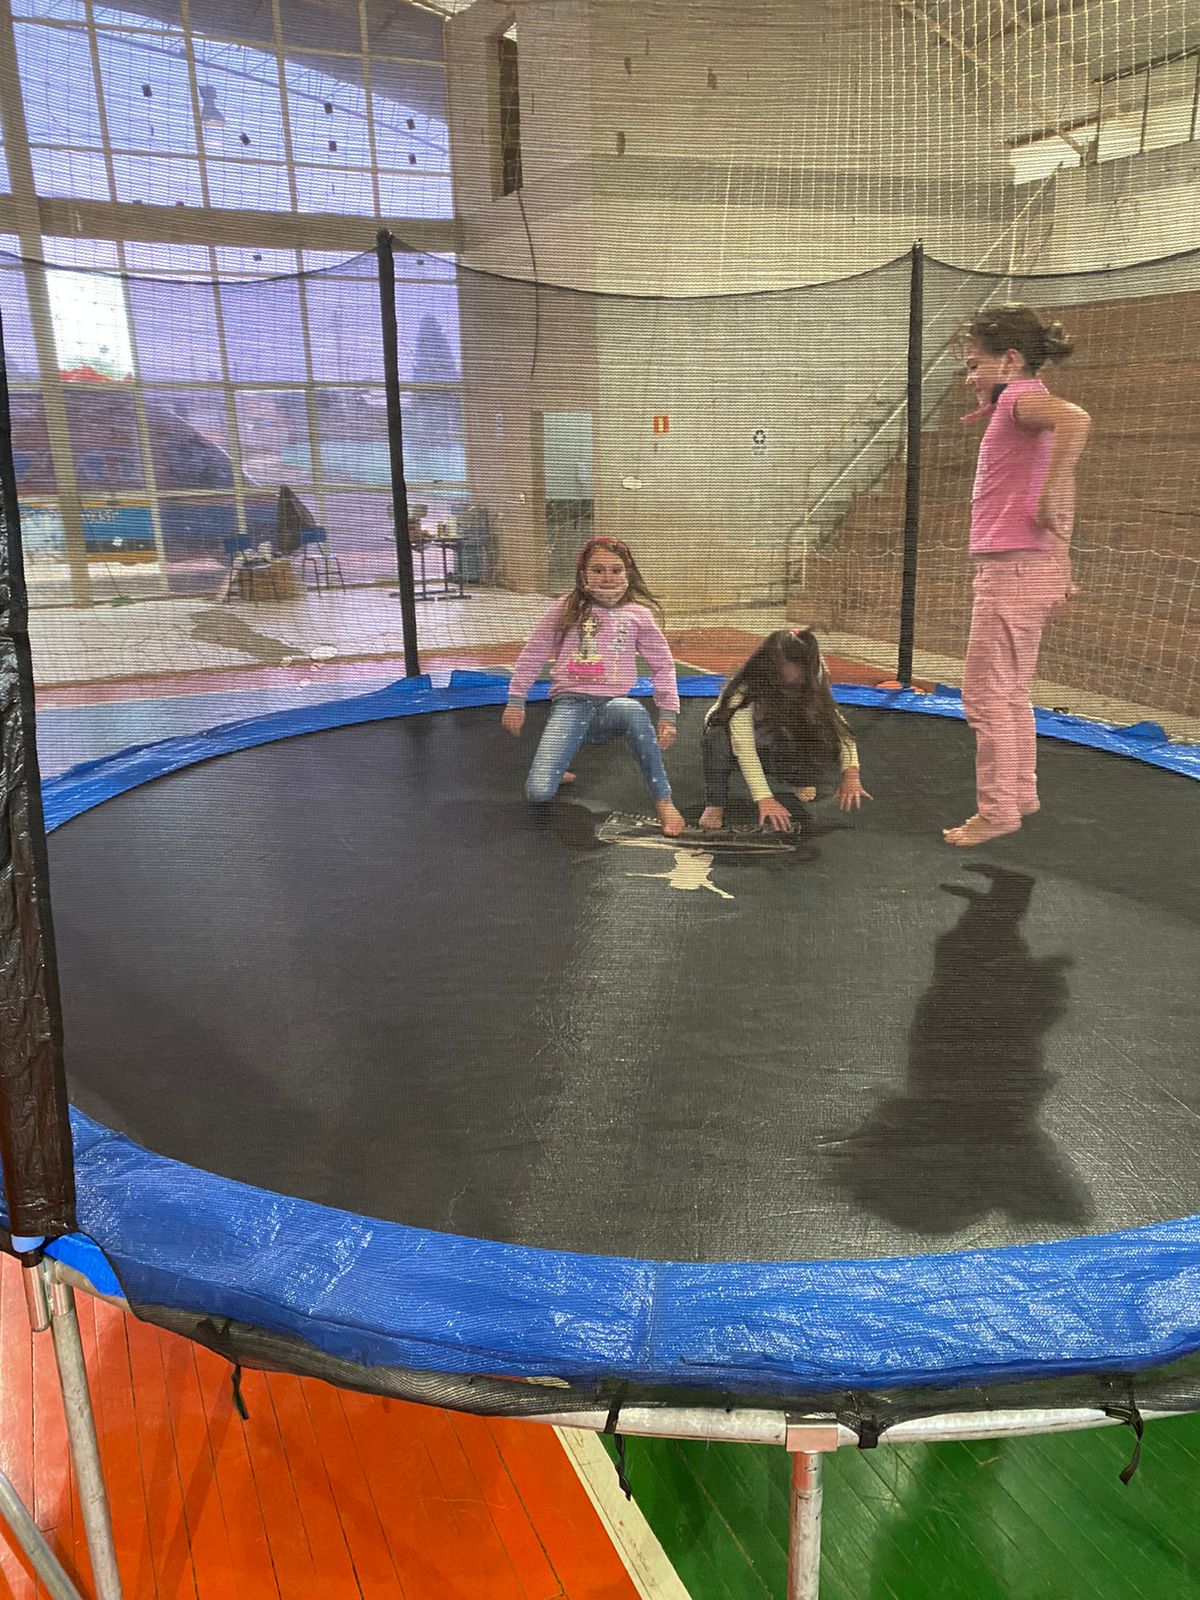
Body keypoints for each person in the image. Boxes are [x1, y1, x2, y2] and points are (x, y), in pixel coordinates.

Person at [944, 304, 1091, 848]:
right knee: (1010, 692)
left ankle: (998, 810)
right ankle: (1019, 793)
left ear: (1009, 360)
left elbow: (1076, 418)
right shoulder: (1016, 404)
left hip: (1013, 572)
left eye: (974, 365)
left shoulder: (1018, 400)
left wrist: (1052, 489)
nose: (969, 377)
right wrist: (1061, 561)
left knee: (985, 696)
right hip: (1033, 565)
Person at [501, 537, 686, 836]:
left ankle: (663, 800)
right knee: (538, 792)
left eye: (615, 570)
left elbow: (663, 665)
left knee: (634, 711)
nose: (607, 577)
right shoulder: (567, 608)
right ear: (583, 573)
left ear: (627, 573)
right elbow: (535, 651)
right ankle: (557, 761)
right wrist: (516, 699)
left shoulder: (638, 615)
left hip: (611, 708)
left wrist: (668, 715)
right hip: (571, 704)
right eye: (598, 570)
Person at [697, 628, 869, 833]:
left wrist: (851, 772)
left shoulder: (814, 675)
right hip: (736, 742)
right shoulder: (743, 689)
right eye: (785, 685)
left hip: (776, 739)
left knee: (818, 728)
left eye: (798, 684)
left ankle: (798, 779)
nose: (791, 691)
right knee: (715, 738)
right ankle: (715, 804)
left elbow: (838, 726)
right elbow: (744, 748)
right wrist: (765, 798)